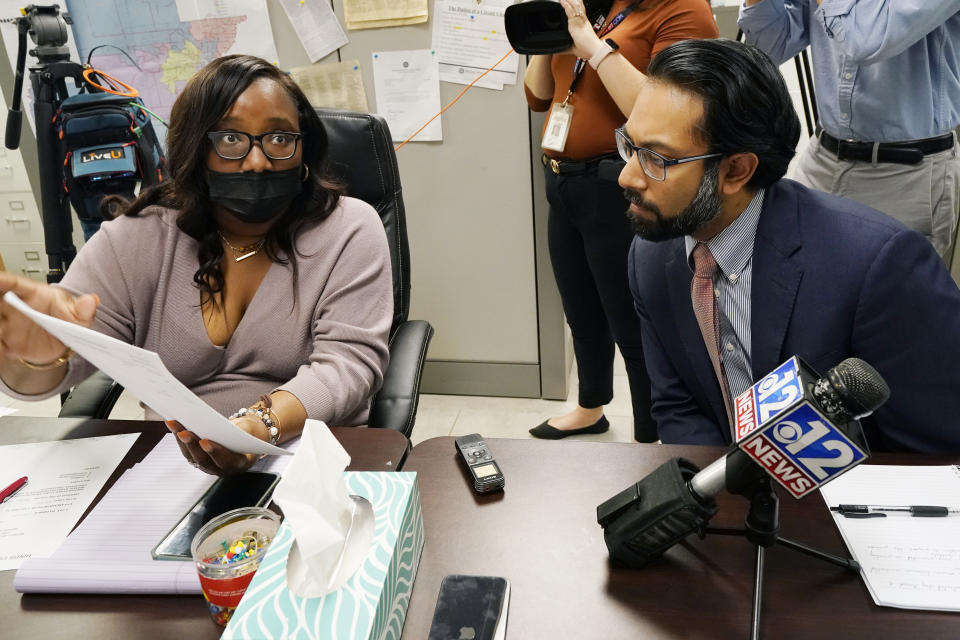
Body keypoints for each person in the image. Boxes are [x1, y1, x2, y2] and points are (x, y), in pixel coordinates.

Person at [0, 55, 393, 473]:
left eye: (279, 139)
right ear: (196, 149)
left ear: (304, 148)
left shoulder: (348, 227)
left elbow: (347, 365)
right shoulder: (140, 237)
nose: (258, 161)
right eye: (230, 139)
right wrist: (34, 357)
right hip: (176, 467)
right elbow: (61, 361)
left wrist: (258, 428)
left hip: (314, 458)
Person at [621, 38, 960, 453]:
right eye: (630, 146)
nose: (627, 176)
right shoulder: (652, 255)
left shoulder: (878, 266)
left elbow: (938, 448)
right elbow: (679, 408)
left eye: (657, 159)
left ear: (736, 170)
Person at [522, 0, 717, 442]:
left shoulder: (681, 10)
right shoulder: (595, 8)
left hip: (623, 185)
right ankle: (591, 407)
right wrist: (546, 27)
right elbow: (536, 97)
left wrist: (591, 45)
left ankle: (651, 434)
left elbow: (666, 113)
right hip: (563, 182)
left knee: (633, 322)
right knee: (582, 310)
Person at [738, 1, 960, 268]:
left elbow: (865, 38)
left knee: (884, 302)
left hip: (905, 176)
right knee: (787, 283)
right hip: (823, 158)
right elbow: (768, 48)